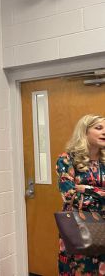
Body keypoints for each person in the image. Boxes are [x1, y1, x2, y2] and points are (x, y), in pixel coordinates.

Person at [56, 114, 105, 275]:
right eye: (98, 128)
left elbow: (81, 195)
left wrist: (88, 190)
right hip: (79, 227)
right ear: (84, 132)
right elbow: (69, 195)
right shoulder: (66, 159)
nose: (104, 132)